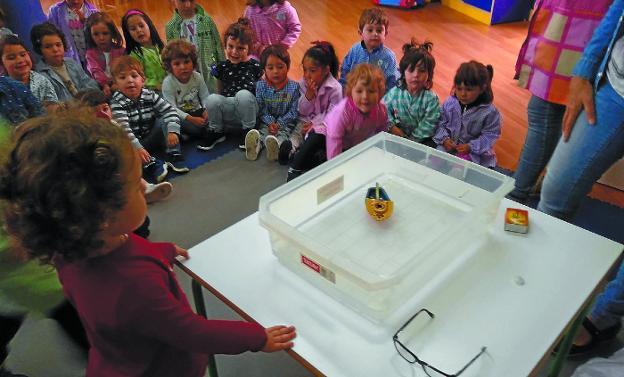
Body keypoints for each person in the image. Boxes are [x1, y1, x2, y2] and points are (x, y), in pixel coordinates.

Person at [0, 110, 297, 377]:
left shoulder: (70, 247)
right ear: (104, 213)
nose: (144, 187)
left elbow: (127, 252)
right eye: (135, 184)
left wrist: (161, 251)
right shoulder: (135, 287)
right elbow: (191, 331)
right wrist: (257, 338)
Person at [538, 0, 624, 355]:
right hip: (616, 89)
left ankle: (604, 315)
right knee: (555, 189)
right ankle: (535, 291)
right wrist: (585, 68)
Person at [508, 0, 613, 202]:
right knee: (549, 113)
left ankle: (519, 191)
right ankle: (526, 187)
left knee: (547, 112)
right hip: (568, 22)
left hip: (581, 26)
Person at [287, 63, 387, 181]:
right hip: (327, 134)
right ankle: (294, 167)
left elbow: (382, 133)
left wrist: (381, 154)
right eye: (359, 91)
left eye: (371, 91)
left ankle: (297, 156)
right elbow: (334, 139)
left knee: (320, 163)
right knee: (316, 139)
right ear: (351, 92)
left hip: (350, 144)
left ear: (380, 93)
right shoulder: (343, 111)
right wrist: (335, 171)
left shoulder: (381, 111)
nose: (365, 96)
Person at [110, 56, 189, 183]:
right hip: (135, 144)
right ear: (116, 84)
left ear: (143, 80)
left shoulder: (149, 95)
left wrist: (172, 131)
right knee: (121, 147)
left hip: (151, 135)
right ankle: (152, 164)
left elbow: (169, 110)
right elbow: (124, 129)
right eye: (122, 77)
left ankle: (173, 154)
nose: (129, 81)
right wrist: (138, 148)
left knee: (164, 120)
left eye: (134, 76)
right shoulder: (117, 103)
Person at [202, 18, 263, 151]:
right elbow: (219, 90)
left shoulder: (255, 65)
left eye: (241, 48)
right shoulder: (222, 66)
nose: (234, 52)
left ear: (249, 49)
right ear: (225, 45)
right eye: (230, 46)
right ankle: (217, 131)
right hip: (230, 109)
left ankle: (249, 131)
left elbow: (261, 90)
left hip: (249, 110)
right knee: (212, 99)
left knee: (243, 95)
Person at [433, 60, 501, 168]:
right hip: (447, 146)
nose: (463, 94)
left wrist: (471, 147)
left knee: (459, 170)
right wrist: (444, 139)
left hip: (472, 153)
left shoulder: (490, 112)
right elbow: (440, 122)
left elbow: (490, 136)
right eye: (459, 88)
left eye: (469, 90)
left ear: (482, 88)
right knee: (434, 161)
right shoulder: (450, 102)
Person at [289, 41, 342, 164]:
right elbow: (302, 111)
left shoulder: (335, 88)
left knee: (316, 137)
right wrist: (308, 96)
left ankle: (304, 155)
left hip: (323, 125)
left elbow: (333, 115)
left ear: (326, 70)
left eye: (312, 71)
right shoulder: (303, 83)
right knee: (296, 132)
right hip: (305, 121)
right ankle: (289, 149)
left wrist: (314, 123)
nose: (307, 75)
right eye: (305, 70)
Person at [245, 44, 300, 162]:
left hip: (286, 122)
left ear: (288, 66)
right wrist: (270, 122)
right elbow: (261, 108)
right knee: (263, 131)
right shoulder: (260, 86)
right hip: (266, 121)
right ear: (264, 69)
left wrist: (279, 124)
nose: (275, 71)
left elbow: (293, 112)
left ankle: (276, 147)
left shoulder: (294, 87)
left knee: (284, 134)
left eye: (280, 67)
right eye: (270, 68)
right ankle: (255, 147)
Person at [383, 39, 440, 147]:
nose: (416, 75)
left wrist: (411, 141)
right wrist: (392, 127)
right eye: (411, 70)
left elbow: (429, 124)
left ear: (429, 75)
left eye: (422, 71)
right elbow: (383, 109)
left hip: (420, 141)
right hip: (396, 136)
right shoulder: (395, 93)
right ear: (403, 73)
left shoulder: (431, 99)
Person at [166, 0, 224, 94]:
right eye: (182, 1)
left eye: (192, 0)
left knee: (213, 96)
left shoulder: (207, 19)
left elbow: (218, 46)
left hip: (208, 70)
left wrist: (223, 69)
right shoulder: (170, 27)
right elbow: (171, 55)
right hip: (187, 72)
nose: (188, 5)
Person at [31, 22, 99, 102]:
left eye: (58, 45)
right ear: (39, 49)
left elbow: (89, 83)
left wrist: (86, 96)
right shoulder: (41, 75)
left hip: (87, 104)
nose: (55, 50)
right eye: (48, 47)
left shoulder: (71, 63)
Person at [161, 39, 212, 143]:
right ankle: (192, 134)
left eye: (186, 62)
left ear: (192, 62)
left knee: (215, 111)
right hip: (182, 117)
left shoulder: (197, 77)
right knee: (170, 121)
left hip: (197, 112)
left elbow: (205, 96)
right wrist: (191, 119)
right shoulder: (168, 83)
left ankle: (194, 135)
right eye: (177, 64)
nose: (183, 67)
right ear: (170, 66)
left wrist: (207, 110)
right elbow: (171, 108)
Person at [339, 7, 399, 92]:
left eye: (379, 30)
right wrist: (343, 89)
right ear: (361, 33)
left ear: (385, 34)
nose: (375, 34)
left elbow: (391, 82)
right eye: (370, 30)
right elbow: (345, 70)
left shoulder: (389, 57)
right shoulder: (355, 50)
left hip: (377, 98)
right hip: (355, 94)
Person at [0, 34, 59, 112]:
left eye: (23, 55)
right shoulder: (3, 88)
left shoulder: (42, 81)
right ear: (1, 63)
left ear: (29, 54)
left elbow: (54, 108)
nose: (20, 60)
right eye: (11, 58)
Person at [121, 9, 167, 91]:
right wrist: (156, 85)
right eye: (133, 29)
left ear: (149, 26)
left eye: (141, 26)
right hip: (152, 91)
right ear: (128, 34)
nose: (139, 30)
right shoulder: (135, 55)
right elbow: (138, 77)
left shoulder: (160, 45)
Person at [84, 12, 126, 97]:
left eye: (105, 33)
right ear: (90, 35)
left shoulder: (121, 50)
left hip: (119, 83)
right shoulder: (90, 54)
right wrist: (105, 85)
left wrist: (116, 83)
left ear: (112, 33)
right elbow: (95, 71)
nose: (101, 38)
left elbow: (124, 70)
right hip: (100, 86)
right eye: (96, 34)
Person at [46, 0, 98, 67]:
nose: (76, 2)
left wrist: (85, 22)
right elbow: (51, 35)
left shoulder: (93, 11)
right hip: (68, 59)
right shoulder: (55, 11)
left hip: (91, 59)